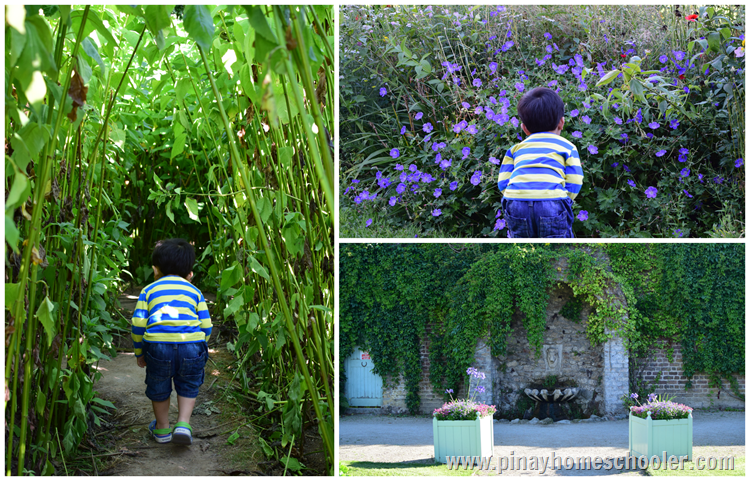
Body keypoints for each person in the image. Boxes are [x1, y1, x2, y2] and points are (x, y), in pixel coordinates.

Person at [131, 238, 212, 445]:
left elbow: (138, 325)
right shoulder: (195, 292)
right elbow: (206, 326)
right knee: (188, 384)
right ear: (190, 274)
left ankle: (162, 429)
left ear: (155, 269)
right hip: (192, 346)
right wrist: (201, 349)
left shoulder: (148, 290)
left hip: (158, 348)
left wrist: (140, 353)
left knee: (158, 385)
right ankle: (183, 424)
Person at [498, 87, 583, 238]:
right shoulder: (567, 147)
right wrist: (563, 197)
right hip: (552, 200)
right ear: (561, 123)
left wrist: (518, 195)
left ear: (524, 128)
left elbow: (503, 182)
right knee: (557, 247)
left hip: (516, 200)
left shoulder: (515, 149)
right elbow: (575, 180)